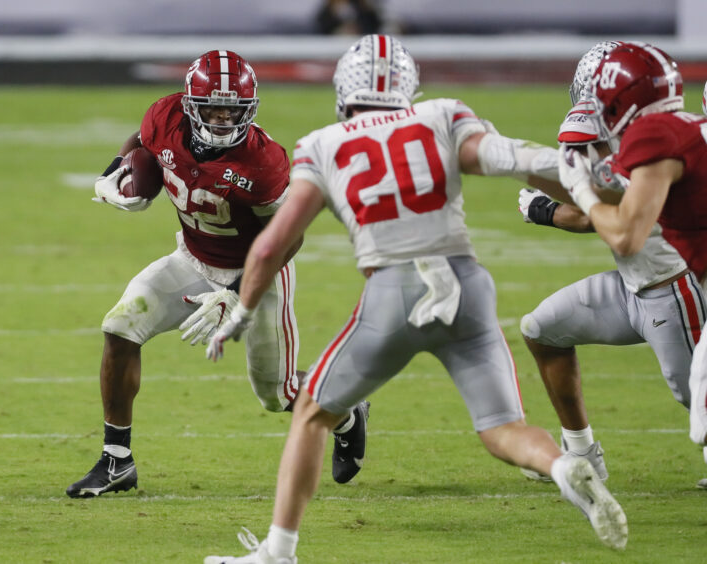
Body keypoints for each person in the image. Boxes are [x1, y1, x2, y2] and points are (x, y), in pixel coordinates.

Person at [202, 34, 628, 563]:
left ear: (344, 88)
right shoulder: (442, 116)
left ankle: (278, 553)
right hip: (467, 286)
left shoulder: (324, 143)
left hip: (395, 291)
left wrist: (241, 311)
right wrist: (596, 190)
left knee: (311, 412)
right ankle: (562, 467)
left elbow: (271, 244)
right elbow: (516, 159)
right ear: (408, 87)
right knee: (503, 429)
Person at [66, 50, 369, 498]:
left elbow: (288, 238)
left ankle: (347, 412)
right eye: (213, 107)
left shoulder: (263, 161)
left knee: (277, 395)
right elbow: (143, 140)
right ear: (190, 106)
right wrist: (116, 170)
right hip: (190, 259)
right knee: (119, 327)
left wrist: (234, 292)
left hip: (257, 276)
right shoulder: (165, 115)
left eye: (234, 108)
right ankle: (117, 460)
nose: (224, 117)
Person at [517, 41, 706, 486]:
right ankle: (582, 453)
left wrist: (544, 207)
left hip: (671, 284)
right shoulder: (655, 130)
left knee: (695, 398)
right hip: (631, 284)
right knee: (542, 329)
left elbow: (604, 218)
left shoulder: (659, 140)